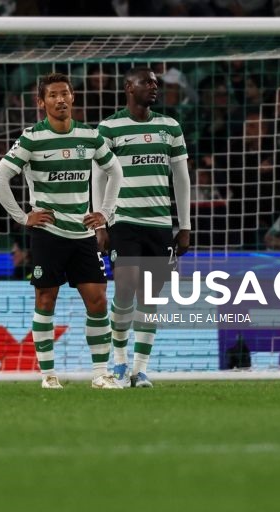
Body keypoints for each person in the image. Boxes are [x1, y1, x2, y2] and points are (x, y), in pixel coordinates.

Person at [0, 72, 125, 390]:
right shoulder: (31, 138)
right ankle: (48, 375)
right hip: (48, 235)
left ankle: (100, 374)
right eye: (52, 95)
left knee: (98, 301)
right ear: (41, 102)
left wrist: (104, 212)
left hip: (82, 234)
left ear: (73, 97)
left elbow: (115, 171)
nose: (60, 99)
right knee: (45, 300)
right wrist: (23, 218)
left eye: (65, 93)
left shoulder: (90, 136)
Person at [96, 67, 191, 388]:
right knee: (125, 286)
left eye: (155, 83)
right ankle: (119, 362)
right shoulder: (109, 127)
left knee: (150, 297)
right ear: (128, 87)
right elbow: (98, 176)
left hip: (159, 224)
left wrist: (185, 225)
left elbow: (181, 178)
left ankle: (140, 369)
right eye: (146, 82)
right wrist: (101, 220)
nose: (154, 87)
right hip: (123, 222)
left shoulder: (170, 127)